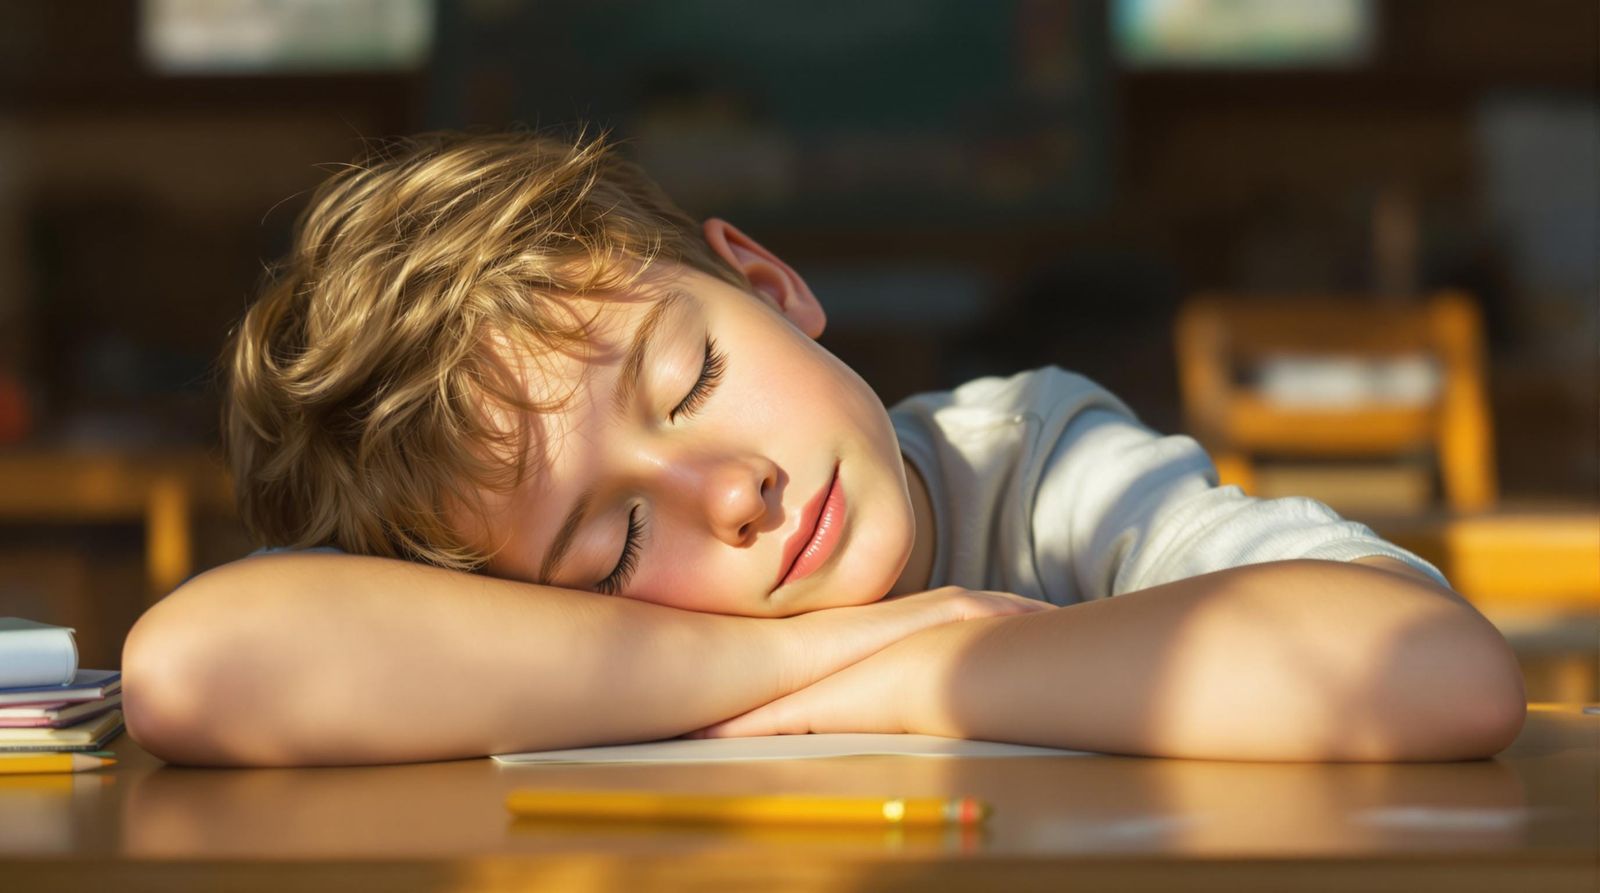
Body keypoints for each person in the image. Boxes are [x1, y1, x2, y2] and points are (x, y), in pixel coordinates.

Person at [122, 131, 1525, 767]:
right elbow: (197, 668)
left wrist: (936, 667)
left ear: (773, 284)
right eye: (612, 543)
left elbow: (1437, 671)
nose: (730, 492)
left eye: (697, 377)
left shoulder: (1030, 461)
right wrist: (792, 665)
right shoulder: (539, 638)